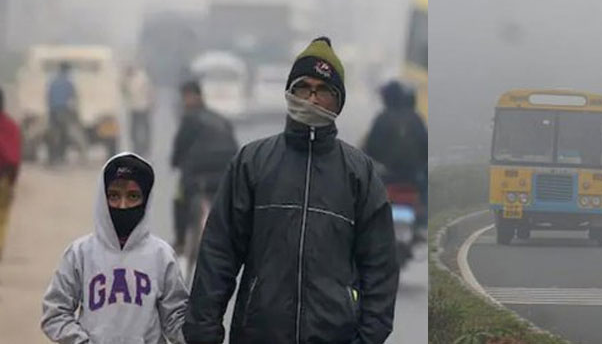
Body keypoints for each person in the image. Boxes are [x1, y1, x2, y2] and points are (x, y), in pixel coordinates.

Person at [183, 37, 399, 344]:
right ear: (290, 92)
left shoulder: (359, 173)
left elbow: (380, 268)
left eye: (323, 89)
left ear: (338, 100)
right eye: (303, 87)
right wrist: (203, 331)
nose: (312, 98)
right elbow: (219, 252)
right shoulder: (252, 162)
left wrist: (367, 337)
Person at [41, 153, 188, 343]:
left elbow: (175, 320)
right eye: (114, 196)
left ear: (146, 200)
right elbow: (54, 313)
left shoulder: (162, 256)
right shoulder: (80, 254)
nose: (123, 205)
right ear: (103, 198)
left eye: (133, 196)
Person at [170, 80, 238, 255]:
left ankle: (180, 241)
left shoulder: (189, 119)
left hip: (197, 175)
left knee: (179, 197)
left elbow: (179, 148)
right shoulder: (220, 119)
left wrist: (175, 162)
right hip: (224, 172)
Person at [364, 80, 428, 190]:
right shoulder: (416, 119)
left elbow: (370, 149)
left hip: (388, 177)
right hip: (414, 178)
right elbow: (426, 148)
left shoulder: (382, 119)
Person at [46, 62, 86, 164]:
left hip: (53, 111)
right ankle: (61, 156)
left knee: (53, 134)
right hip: (64, 111)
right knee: (63, 134)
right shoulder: (68, 82)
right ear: (67, 70)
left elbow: (48, 96)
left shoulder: (53, 81)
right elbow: (73, 97)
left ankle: (52, 157)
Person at [0, 86, 22, 260]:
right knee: (2, 216)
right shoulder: (11, 126)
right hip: (4, 178)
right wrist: (13, 180)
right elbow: (14, 157)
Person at [122, 64, 155, 156]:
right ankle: (137, 147)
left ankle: (145, 147)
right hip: (133, 108)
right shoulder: (127, 79)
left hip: (143, 107)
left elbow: (150, 91)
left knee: (144, 129)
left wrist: (151, 103)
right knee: (134, 130)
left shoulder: (142, 77)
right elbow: (124, 91)